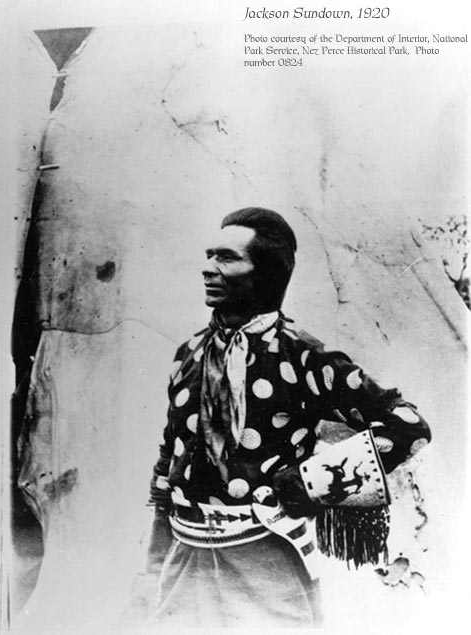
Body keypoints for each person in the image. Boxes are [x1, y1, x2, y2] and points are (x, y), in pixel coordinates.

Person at [144, 207, 431, 629]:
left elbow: (408, 425)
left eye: (226, 257)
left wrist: (313, 481)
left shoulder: (304, 357)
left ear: (265, 272)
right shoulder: (186, 355)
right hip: (182, 564)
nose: (208, 269)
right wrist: (151, 567)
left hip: (265, 562)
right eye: (209, 255)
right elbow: (170, 457)